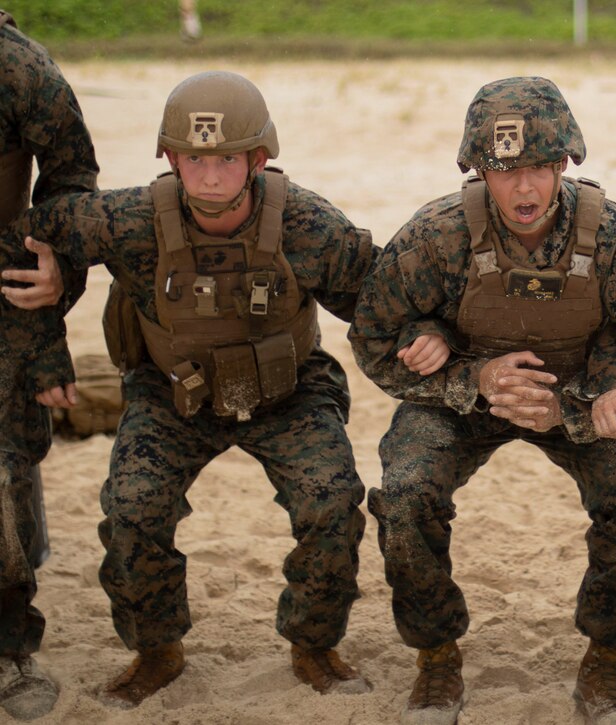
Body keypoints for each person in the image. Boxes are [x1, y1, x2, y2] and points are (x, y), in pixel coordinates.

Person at [0, 70, 384, 709]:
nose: (210, 175)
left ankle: (314, 644)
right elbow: (27, 239)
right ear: (172, 158)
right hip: (172, 395)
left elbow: (380, 298)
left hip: (286, 393)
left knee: (333, 503)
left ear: (258, 158)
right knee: (132, 507)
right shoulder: (129, 219)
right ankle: (157, 650)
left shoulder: (306, 224)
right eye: (195, 158)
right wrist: (50, 310)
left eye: (227, 158)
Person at [349, 76, 616, 725]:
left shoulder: (614, 238)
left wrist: (593, 398)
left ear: (564, 162)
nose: (525, 188)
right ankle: (436, 657)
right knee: (404, 490)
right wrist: (466, 377)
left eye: (539, 166)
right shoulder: (439, 234)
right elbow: (370, 336)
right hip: (467, 397)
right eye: (506, 169)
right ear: (481, 169)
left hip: (581, 397)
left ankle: (607, 662)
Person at [0, 9, 98, 720]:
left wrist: (60, 263)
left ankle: (9, 647)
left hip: (4, 291)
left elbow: (71, 181)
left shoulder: (21, 69)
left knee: (8, 457)